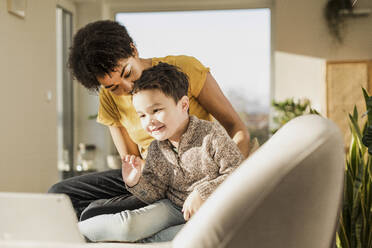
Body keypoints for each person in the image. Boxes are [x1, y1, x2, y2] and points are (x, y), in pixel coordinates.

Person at [48, 20, 250, 222]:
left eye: (127, 73)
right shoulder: (109, 98)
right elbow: (131, 160)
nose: (127, 87)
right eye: (113, 87)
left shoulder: (183, 69)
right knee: (61, 195)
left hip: (198, 173)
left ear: (133, 50)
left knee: (96, 213)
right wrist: (141, 180)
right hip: (153, 175)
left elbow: (237, 128)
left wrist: (217, 184)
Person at [78, 62, 244, 242]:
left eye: (156, 110)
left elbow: (239, 174)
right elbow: (155, 193)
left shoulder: (212, 135)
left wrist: (202, 192)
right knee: (128, 225)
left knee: (162, 239)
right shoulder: (157, 148)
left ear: (183, 105)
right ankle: (69, 233)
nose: (149, 121)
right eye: (142, 115)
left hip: (213, 212)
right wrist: (136, 182)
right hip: (172, 206)